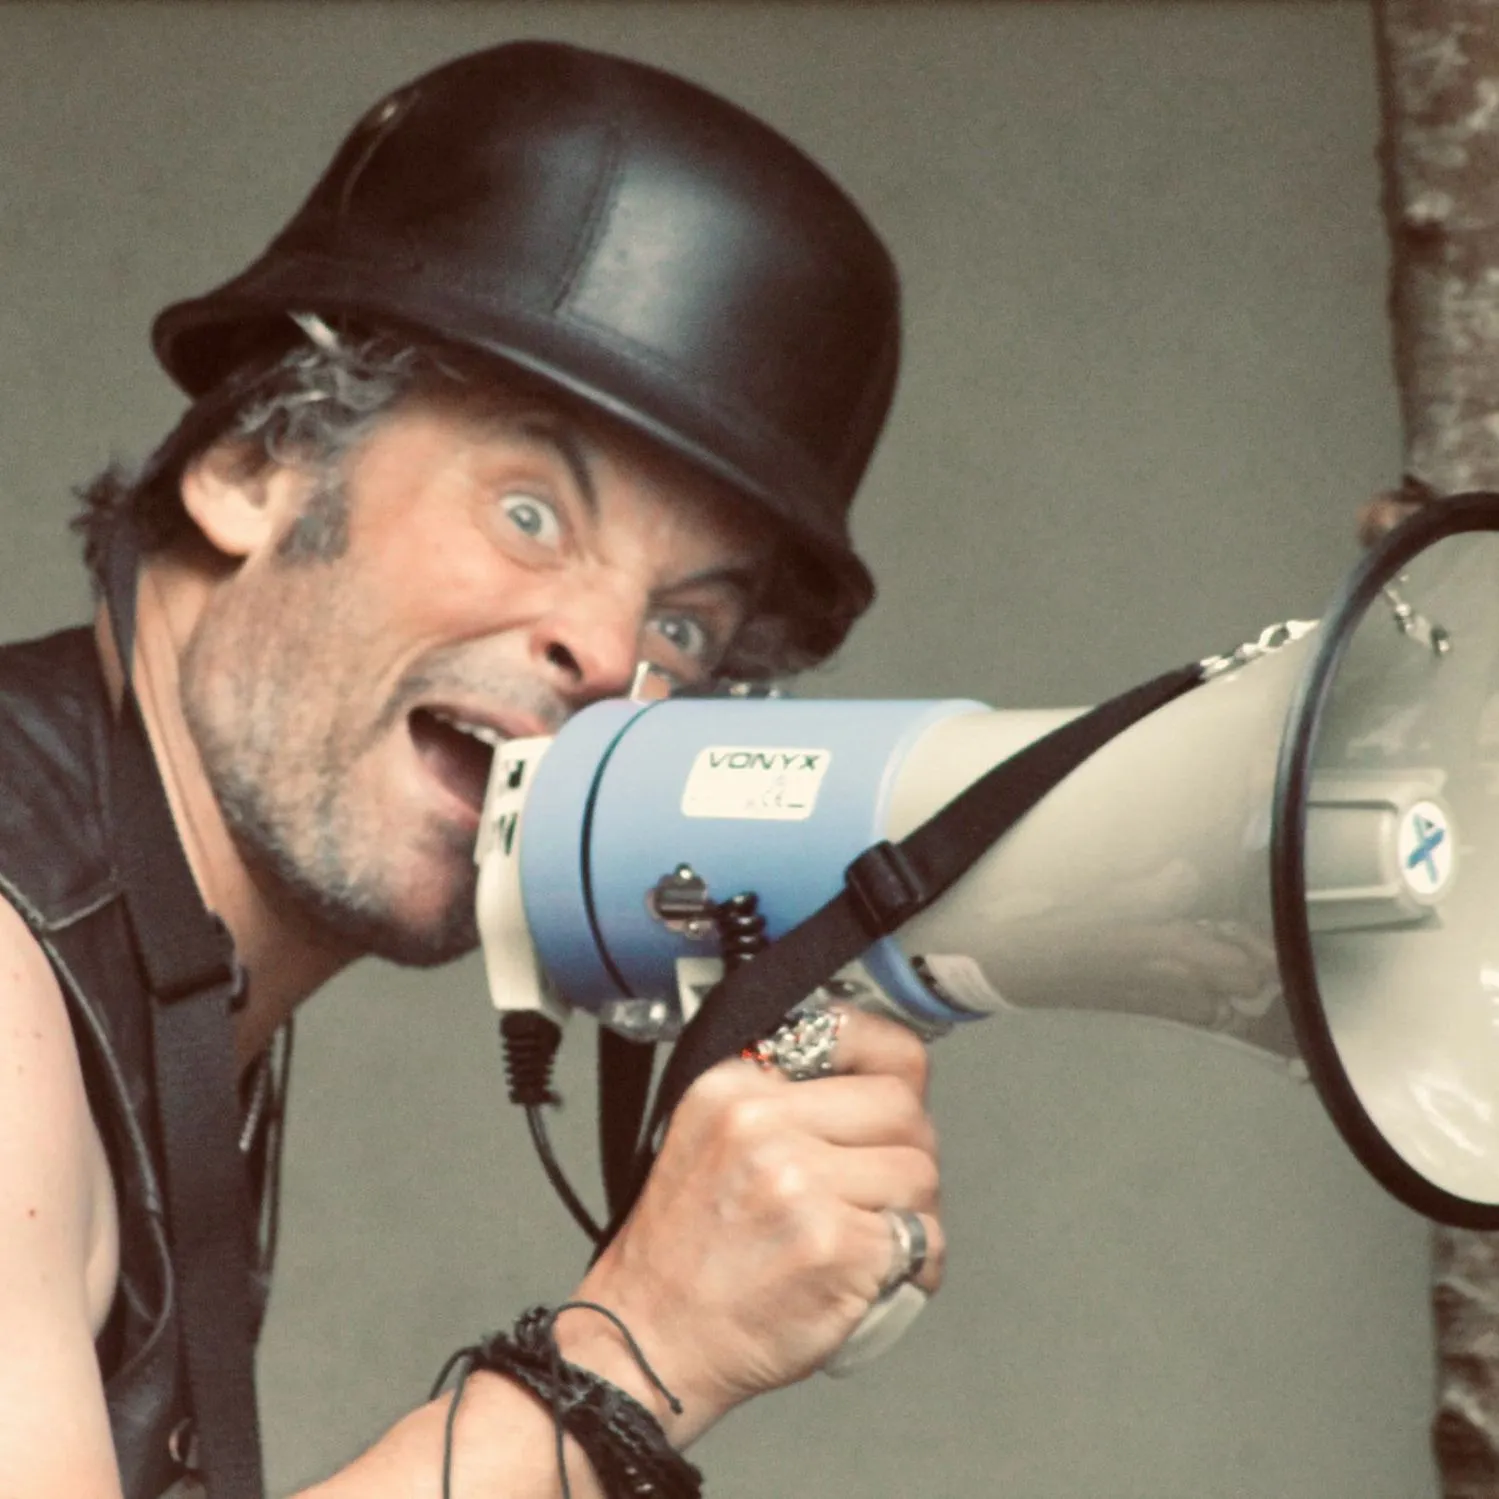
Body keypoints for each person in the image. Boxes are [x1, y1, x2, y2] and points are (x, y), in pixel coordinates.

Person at [0, 38, 944, 1499]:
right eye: (529, 512)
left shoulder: (147, 956)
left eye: (684, 625)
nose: (605, 650)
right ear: (256, 461)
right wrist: (634, 1357)